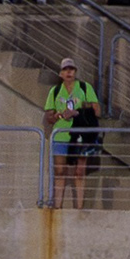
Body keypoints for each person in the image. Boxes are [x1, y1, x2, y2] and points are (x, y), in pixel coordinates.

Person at [43, 56, 99, 209]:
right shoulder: (55, 91)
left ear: (75, 72)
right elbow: (49, 117)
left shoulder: (84, 88)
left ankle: (79, 208)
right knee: (60, 171)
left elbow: (96, 110)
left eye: (71, 69)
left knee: (79, 172)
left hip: (80, 135)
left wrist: (77, 112)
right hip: (61, 136)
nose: (69, 72)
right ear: (61, 73)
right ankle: (57, 207)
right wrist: (60, 115)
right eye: (65, 70)